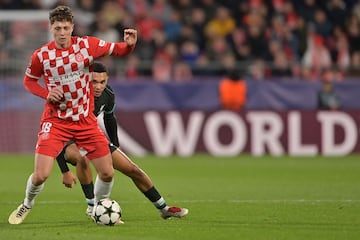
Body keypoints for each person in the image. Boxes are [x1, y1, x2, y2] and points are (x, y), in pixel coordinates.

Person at [8, 5, 137, 225]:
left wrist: (130, 45)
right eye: (57, 27)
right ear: (51, 28)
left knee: (107, 173)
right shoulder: (42, 55)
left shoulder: (87, 45)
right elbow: (29, 81)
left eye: (65, 27)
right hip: (55, 121)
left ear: (72, 28)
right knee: (41, 175)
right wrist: (47, 93)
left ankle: (98, 208)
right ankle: (27, 204)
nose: (61, 32)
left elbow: (119, 50)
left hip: (85, 121)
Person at [56, 62, 189, 220]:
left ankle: (163, 208)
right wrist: (64, 170)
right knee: (81, 159)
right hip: (68, 140)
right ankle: (92, 207)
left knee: (133, 170)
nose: (98, 86)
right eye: (94, 82)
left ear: (107, 80)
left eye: (102, 82)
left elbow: (109, 118)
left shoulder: (108, 94)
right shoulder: (72, 95)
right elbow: (55, 131)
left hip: (91, 137)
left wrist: (115, 145)